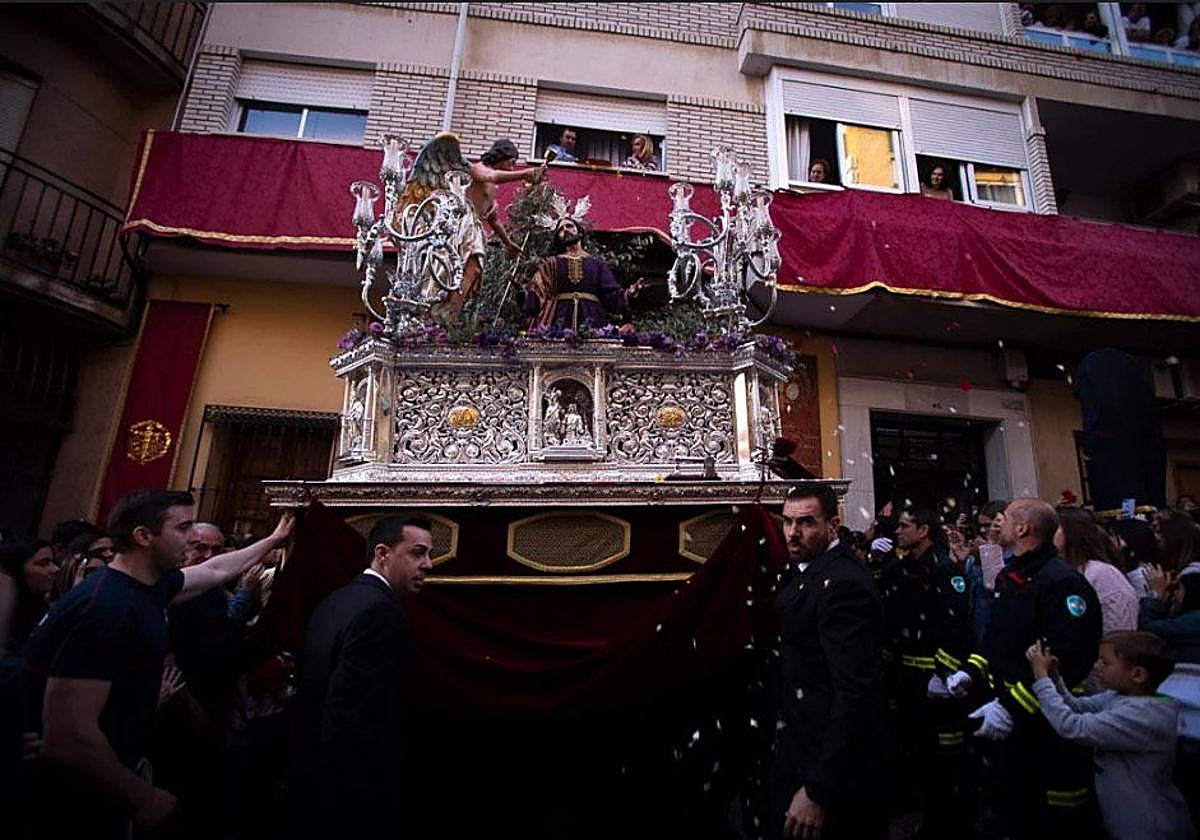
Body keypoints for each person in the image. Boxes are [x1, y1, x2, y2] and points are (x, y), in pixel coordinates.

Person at [20, 489, 293, 837]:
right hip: (78, 800)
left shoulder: (148, 586)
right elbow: (68, 734)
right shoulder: (106, 608)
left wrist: (274, 539)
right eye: (182, 528)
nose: (192, 538)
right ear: (143, 536)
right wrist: (141, 796)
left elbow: (214, 570)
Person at [968, 499, 1103, 838]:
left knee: (1057, 820)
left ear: (1023, 528)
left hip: (1048, 729)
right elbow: (999, 642)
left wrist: (1012, 707)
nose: (999, 525)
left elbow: (1068, 660)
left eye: (1007, 518)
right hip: (1013, 728)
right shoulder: (1012, 577)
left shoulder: (1062, 583)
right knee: (1016, 809)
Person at [292, 515, 434, 835]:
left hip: (309, 773)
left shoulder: (336, 599)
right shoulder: (379, 613)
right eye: (417, 553)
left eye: (428, 554)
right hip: (350, 791)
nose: (428, 564)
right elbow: (354, 711)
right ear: (382, 554)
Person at [769, 485, 885, 840]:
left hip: (829, 764)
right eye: (787, 522)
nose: (793, 533)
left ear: (833, 525)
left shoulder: (842, 584)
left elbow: (854, 693)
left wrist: (818, 788)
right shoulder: (805, 569)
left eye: (806, 523)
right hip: (801, 744)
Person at [1026, 633, 1195, 839]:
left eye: (1105, 662)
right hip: (1125, 820)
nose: (1097, 666)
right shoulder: (1122, 696)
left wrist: (1041, 679)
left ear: (1138, 674)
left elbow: (1071, 726)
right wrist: (1054, 677)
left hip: (1145, 827)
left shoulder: (1143, 717)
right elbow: (1079, 707)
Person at [881, 507, 977, 838]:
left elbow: (958, 627)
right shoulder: (900, 568)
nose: (897, 531)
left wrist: (944, 673)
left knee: (943, 759)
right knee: (914, 753)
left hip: (935, 683)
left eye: (904, 526)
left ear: (924, 531)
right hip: (904, 679)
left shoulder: (944, 570)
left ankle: (951, 823)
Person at [523, 217, 648, 330]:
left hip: (593, 320)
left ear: (580, 232)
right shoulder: (550, 265)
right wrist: (523, 293)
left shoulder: (597, 264)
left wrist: (630, 293)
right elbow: (538, 294)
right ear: (558, 238)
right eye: (561, 229)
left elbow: (610, 295)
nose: (565, 230)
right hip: (559, 321)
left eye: (569, 226)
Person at [1055, 507, 1138, 635]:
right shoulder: (1059, 571)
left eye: (1055, 528)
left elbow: (1120, 627)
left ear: (1073, 531)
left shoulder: (1101, 573)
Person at [0, 538, 58, 659]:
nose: (55, 569)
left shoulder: (46, 611)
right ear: (17, 570)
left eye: (53, 562)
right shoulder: (6, 611)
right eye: (43, 564)